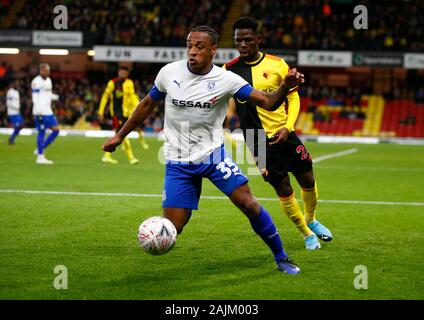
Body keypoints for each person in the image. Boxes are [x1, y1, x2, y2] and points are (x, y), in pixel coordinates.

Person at [103, 25, 305, 274]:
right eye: (189, 46)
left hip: (213, 156)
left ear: (213, 50)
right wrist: (120, 136)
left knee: (249, 205)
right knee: (173, 229)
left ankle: (282, 257)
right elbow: (146, 105)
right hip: (177, 161)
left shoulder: (226, 79)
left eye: (199, 47)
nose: (192, 52)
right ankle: (159, 229)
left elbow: (269, 102)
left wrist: (285, 85)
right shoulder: (169, 73)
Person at [223, 17, 332, 250]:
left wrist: (288, 127)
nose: (242, 45)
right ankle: (305, 233)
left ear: (258, 39)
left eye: (248, 40)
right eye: (238, 41)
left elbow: (292, 97)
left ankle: (312, 220)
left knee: (308, 179)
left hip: (286, 131)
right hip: (257, 140)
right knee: (283, 188)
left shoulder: (278, 64)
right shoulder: (227, 71)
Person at [98, 66, 142, 164]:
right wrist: (101, 112)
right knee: (122, 134)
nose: (122, 73)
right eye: (121, 72)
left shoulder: (129, 83)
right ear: (118, 72)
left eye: (125, 72)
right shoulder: (112, 83)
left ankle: (106, 155)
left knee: (119, 134)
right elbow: (105, 97)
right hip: (117, 113)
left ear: (127, 74)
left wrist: (138, 107)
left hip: (126, 113)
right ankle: (131, 157)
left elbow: (133, 96)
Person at [32, 63, 60, 165]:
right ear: (40, 71)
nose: (47, 72)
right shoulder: (36, 82)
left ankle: (41, 148)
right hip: (40, 112)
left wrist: (56, 97)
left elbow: (48, 94)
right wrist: (38, 114)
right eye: (45, 70)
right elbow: (35, 98)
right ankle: (40, 157)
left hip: (48, 111)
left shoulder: (49, 81)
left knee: (56, 130)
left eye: (48, 70)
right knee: (42, 132)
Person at [6, 79, 24, 145]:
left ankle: (11, 138)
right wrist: (17, 107)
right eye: (16, 83)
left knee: (21, 125)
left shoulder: (16, 92)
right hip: (12, 113)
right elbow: (8, 103)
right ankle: (11, 140)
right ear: (12, 84)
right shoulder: (10, 92)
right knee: (18, 126)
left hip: (17, 112)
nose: (17, 84)